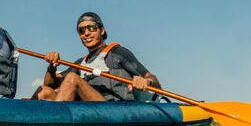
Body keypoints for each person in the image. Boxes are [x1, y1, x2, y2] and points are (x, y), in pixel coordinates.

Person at [31, 12, 160, 101]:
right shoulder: (80, 63)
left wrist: (146, 81)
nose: (86, 33)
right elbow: (50, 84)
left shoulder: (118, 53)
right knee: (44, 91)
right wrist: (51, 68)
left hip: (113, 111)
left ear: (101, 30)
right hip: (87, 111)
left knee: (72, 79)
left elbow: (152, 79)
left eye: (91, 28)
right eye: (82, 30)